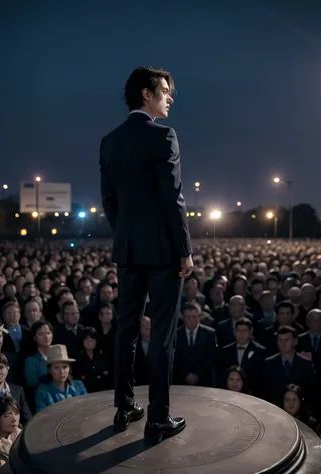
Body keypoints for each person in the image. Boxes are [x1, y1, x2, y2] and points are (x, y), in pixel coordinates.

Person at [99, 65, 193, 444]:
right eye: (166, 91)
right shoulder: (164, 136)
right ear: (146, 94)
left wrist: (128, 234)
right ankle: (158, 420)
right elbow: (173, 198)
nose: (171, 98)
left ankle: (123, 407)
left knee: (125, 330)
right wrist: (184, 250)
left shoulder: (109, 141)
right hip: (162, 252)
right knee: (163, 337)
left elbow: (109, 201)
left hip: (128, 249)